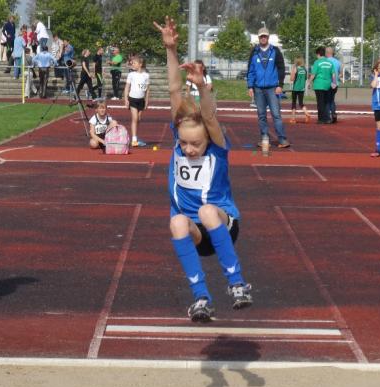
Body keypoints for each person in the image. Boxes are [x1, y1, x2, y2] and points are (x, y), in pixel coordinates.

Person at [154, 16, 252, 323]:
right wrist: (170, 49)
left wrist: (201, 87)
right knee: (176, 221)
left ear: (206, 140)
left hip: (221, 223)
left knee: (208, 210)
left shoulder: (216, 147)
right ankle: (201, 298)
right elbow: (174, 91)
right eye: (184, 143)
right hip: (195, 233)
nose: (188, 149)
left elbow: (209, 117)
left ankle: (237, 284)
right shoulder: (180, 139)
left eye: (195, 144)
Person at [246, 27, 289, 148]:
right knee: (261, 115)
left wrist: (280, 85)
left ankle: (282, 139)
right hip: (258, 89)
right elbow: (250, 70)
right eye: (261, 36)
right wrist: (250, 86)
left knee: (276, 114)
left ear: (268, 37)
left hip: (272, 88)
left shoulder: (275, 51)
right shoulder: (254, 52)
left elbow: (281, 68)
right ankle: (265, 138)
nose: (263, 38)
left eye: (265, 36)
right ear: (259, 38)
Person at [124, 55, 150, 147]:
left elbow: (147, 90)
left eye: (134, 63)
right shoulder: (131, 75)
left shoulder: (146, 75)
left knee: (138, 119)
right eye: (132, 63)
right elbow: (127, 87)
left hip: (141, 100)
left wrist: (146, 101)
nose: (132, 65)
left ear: (140, 64)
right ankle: (134, 140)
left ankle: (136, 137)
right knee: (134, 118)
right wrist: (126, 99)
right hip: (132, 99)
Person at [309, 46, 335, 124]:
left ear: (318, 54)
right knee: (326, 102)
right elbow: (333, 74)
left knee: (320, 103)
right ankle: (327, 118)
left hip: (319, 84)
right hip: (327, 85)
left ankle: (321, 119)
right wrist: (333, 82)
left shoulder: (317, 62)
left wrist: (308, 82)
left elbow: (313, 74)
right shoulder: (330, 62)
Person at [288, 57, 310, 123]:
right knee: (301, 103)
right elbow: (305, 78)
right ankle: (306, 113)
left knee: (294, 103)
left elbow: (291, 79)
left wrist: (292, 70)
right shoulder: (304, 69)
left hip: (295, 88)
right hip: (302, 88)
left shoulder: (296, 69)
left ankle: (293, 119)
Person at [325, 46, 341, 123]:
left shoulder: (325, 61)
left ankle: (328, 117)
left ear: (327, 53)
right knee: (332, 99)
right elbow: (340, 73)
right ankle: (333, 114)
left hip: (327, 83)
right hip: (335, 83)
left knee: (327, 100)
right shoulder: (337, 62)